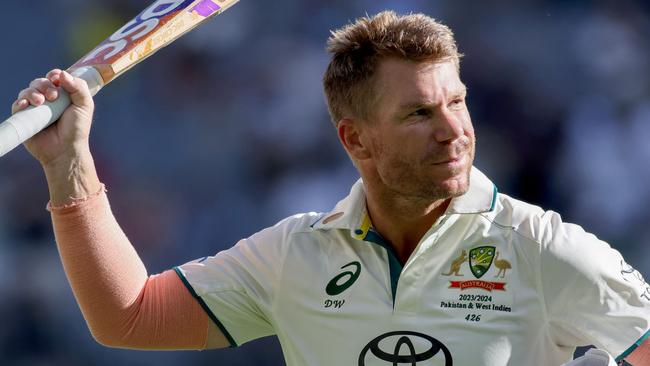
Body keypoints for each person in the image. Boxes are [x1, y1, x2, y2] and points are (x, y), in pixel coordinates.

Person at [11, 10, 650, 366]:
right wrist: (69, 165)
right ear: (356, 140)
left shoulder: (543, 249)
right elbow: (130, 318)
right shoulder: (295, 256)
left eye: (458, 102)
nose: (455, 130)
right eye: (420, 114)